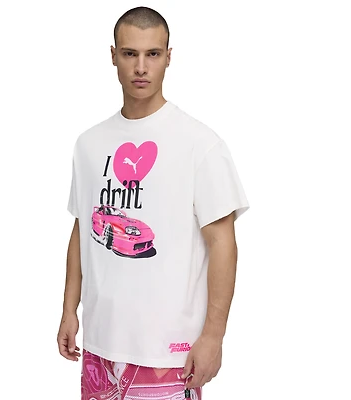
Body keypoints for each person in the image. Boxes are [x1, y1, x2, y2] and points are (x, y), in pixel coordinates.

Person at [57, 6, 250, 400]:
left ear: (168, 57)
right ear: (113, 56)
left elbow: (223, 243)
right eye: (130, 54)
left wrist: (214, 336)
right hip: (99, 346)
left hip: (169, 353)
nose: (141, 67)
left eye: (153, 54)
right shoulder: (88, 145)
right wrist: (68, 310)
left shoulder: (200, 144)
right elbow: (81, 231)